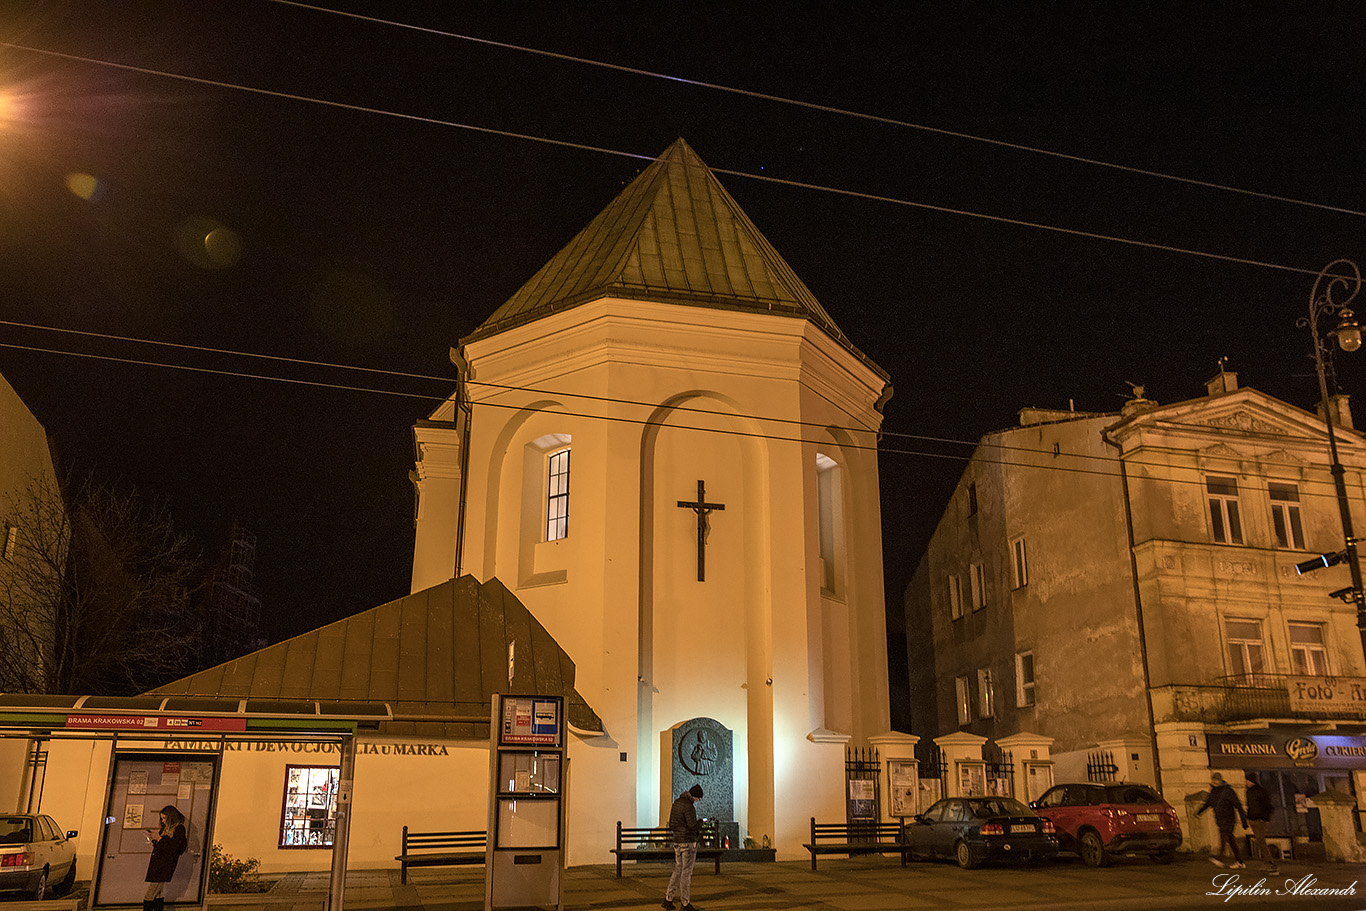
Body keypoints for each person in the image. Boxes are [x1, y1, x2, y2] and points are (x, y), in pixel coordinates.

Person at [662, 784, 703, 911]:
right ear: (694, 796)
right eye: (698, 798)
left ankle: (668, 899)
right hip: (687, 842)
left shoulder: (677, 802)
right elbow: (692, 825)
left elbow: (672, 823)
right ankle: (685, 903)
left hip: (677, 842)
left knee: (678, 870)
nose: (698, 801)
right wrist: (700, 823)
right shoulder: (688, 806)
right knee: (686, 872)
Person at [1196, 773, 1247, 868]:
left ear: (1220, 780)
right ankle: (1240, 861)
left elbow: (1238, 805)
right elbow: (1209, 802)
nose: (1214, 782)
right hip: (1220, 818)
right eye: (1213, 780)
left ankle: (1220, 857)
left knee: (1224, 836)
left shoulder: (1228, 791)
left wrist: (1243, 820)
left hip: (1229, 818)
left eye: (1216, 780)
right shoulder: (1214, 791)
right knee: (1230, 840)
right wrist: (1200, 811)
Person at [144, 805, 187, 911]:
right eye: (161, 818)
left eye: (164, 818)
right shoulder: (165, 828)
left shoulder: (179, 829)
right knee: (158, 894)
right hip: (158, 864)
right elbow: (163, 846)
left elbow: (173, 848)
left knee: (149, 895)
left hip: (164, 866)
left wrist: (159, 838)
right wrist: (155, 839)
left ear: (171, 818)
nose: (163, 821)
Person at [1244, 773, 1278, 875]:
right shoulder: (1252, 791)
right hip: (1255, 818)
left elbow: (1266, 805)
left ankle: (1270, 863)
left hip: (1258, 819)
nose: (1245, 782)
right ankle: (1266, 862)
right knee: (1259, 841)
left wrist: (1264, 818)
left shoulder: (1257, 791)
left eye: (1247, 780)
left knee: (1260, 841)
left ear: (1251, 781)